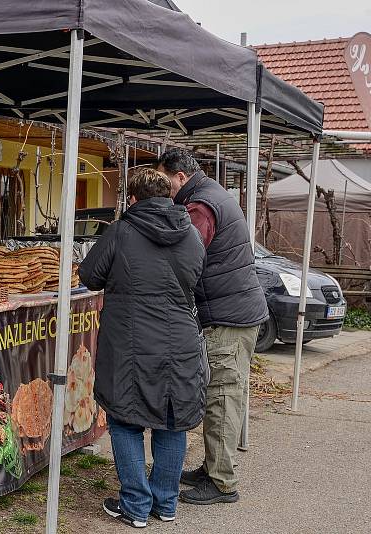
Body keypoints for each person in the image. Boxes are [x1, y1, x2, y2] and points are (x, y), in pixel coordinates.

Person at [80, 168, 207, 528]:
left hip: (130, 346)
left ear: (132, 199)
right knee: (172, 423)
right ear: (169, 197)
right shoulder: (192, 235)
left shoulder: (121, 231)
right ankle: (165, 503)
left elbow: (89, 276)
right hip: (180, 342)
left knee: (125, 421)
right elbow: (197, 275)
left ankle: (136, 504)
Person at [157, 148, 268, 505]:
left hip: (228, 317)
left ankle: (222, 482)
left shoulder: (201, 207)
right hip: (234, 311)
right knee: (222, 395)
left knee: (221, 397)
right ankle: (213, 467)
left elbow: (185, 252)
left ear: (180, 177)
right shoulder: (212, 194)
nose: (164, 189)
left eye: (165, 182)